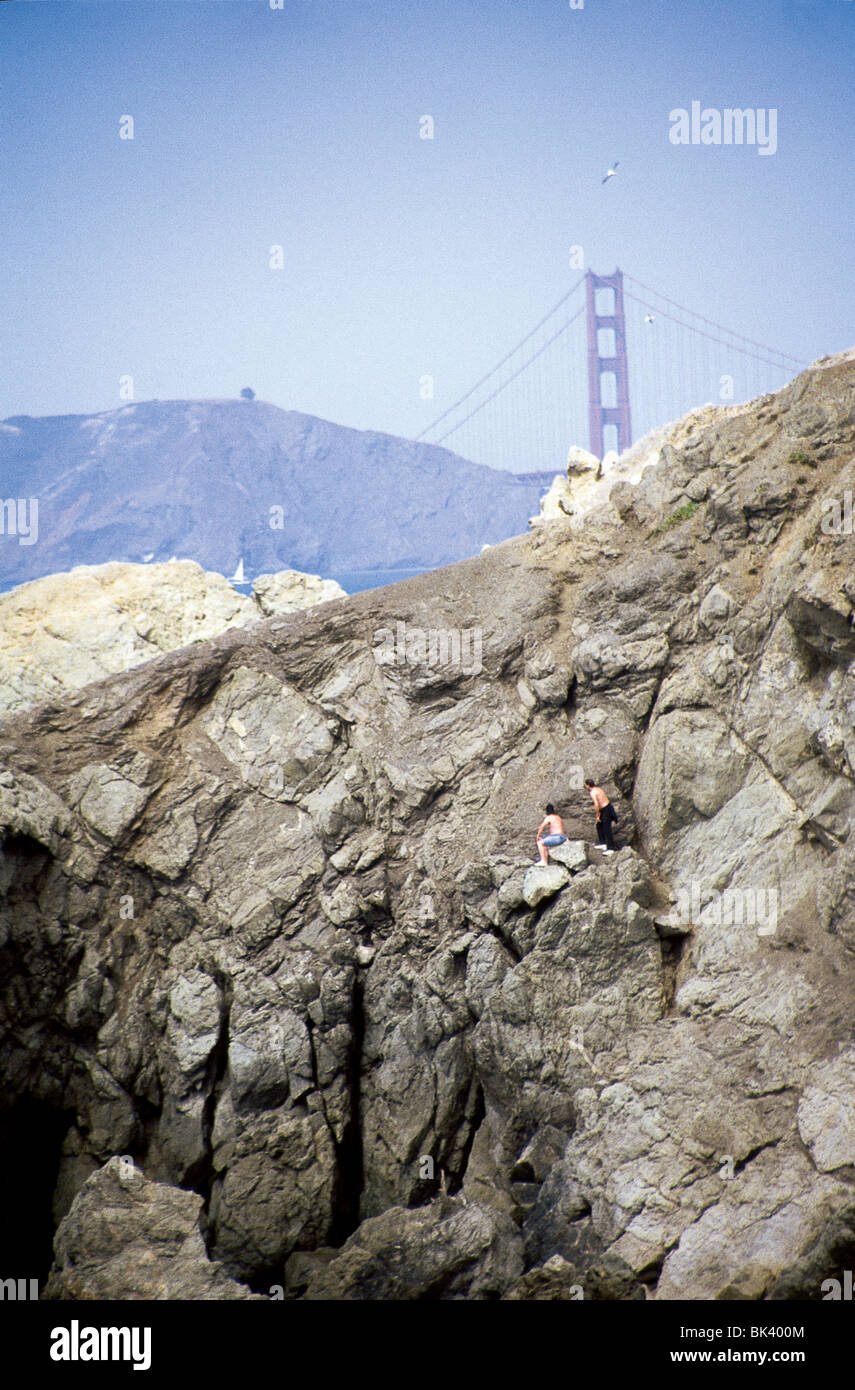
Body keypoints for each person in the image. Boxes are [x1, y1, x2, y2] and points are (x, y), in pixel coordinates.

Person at [584, 778, 618, 854]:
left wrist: (598, 815)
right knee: (599, 826)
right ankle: (603, 843)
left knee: (607, 828)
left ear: (588, 786)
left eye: (586, 785)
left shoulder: (593, 792)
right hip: (606, 808)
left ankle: (610, 848)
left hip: (606, 809)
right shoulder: (598, 789)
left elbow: (596, 805)